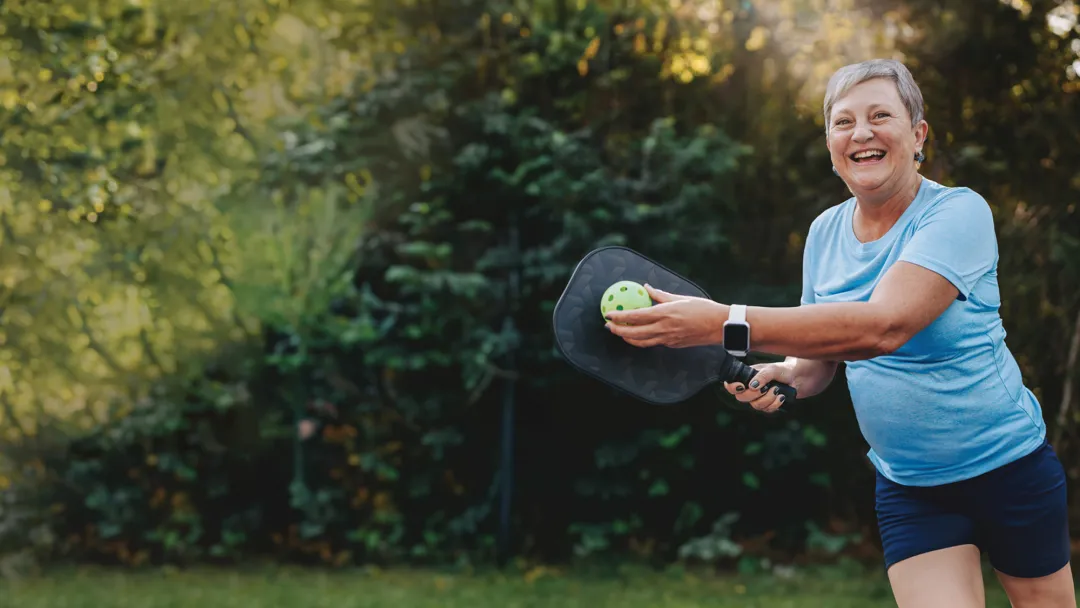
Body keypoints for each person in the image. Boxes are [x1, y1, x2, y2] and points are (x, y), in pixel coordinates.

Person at [603, 59, 1075, 608]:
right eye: (843, 121)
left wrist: (722, 321)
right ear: (830, 142)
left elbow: (883, 327)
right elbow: (819, 358)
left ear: (917, 133)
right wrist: (785, 374)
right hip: (911, 486)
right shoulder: (824, 232)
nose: (862, 133)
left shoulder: (958, 213)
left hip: (1008, 468)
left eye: (880, 116)